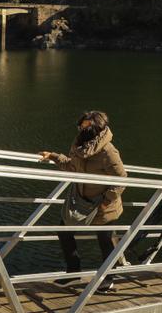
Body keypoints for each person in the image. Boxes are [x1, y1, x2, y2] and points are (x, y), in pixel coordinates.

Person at [38, 111, 126, 292]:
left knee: (106, 241)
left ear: (95, 129)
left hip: (104, 206)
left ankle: (109, 279)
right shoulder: (80, 145)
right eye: (81, 126)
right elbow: (71, 166)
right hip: (82, 202)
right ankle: (73, 271)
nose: (81, 129)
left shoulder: (108, 152)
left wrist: (106, 201)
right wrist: (53, 156)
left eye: (85, 126)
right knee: (64, 230)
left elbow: (122, 179)